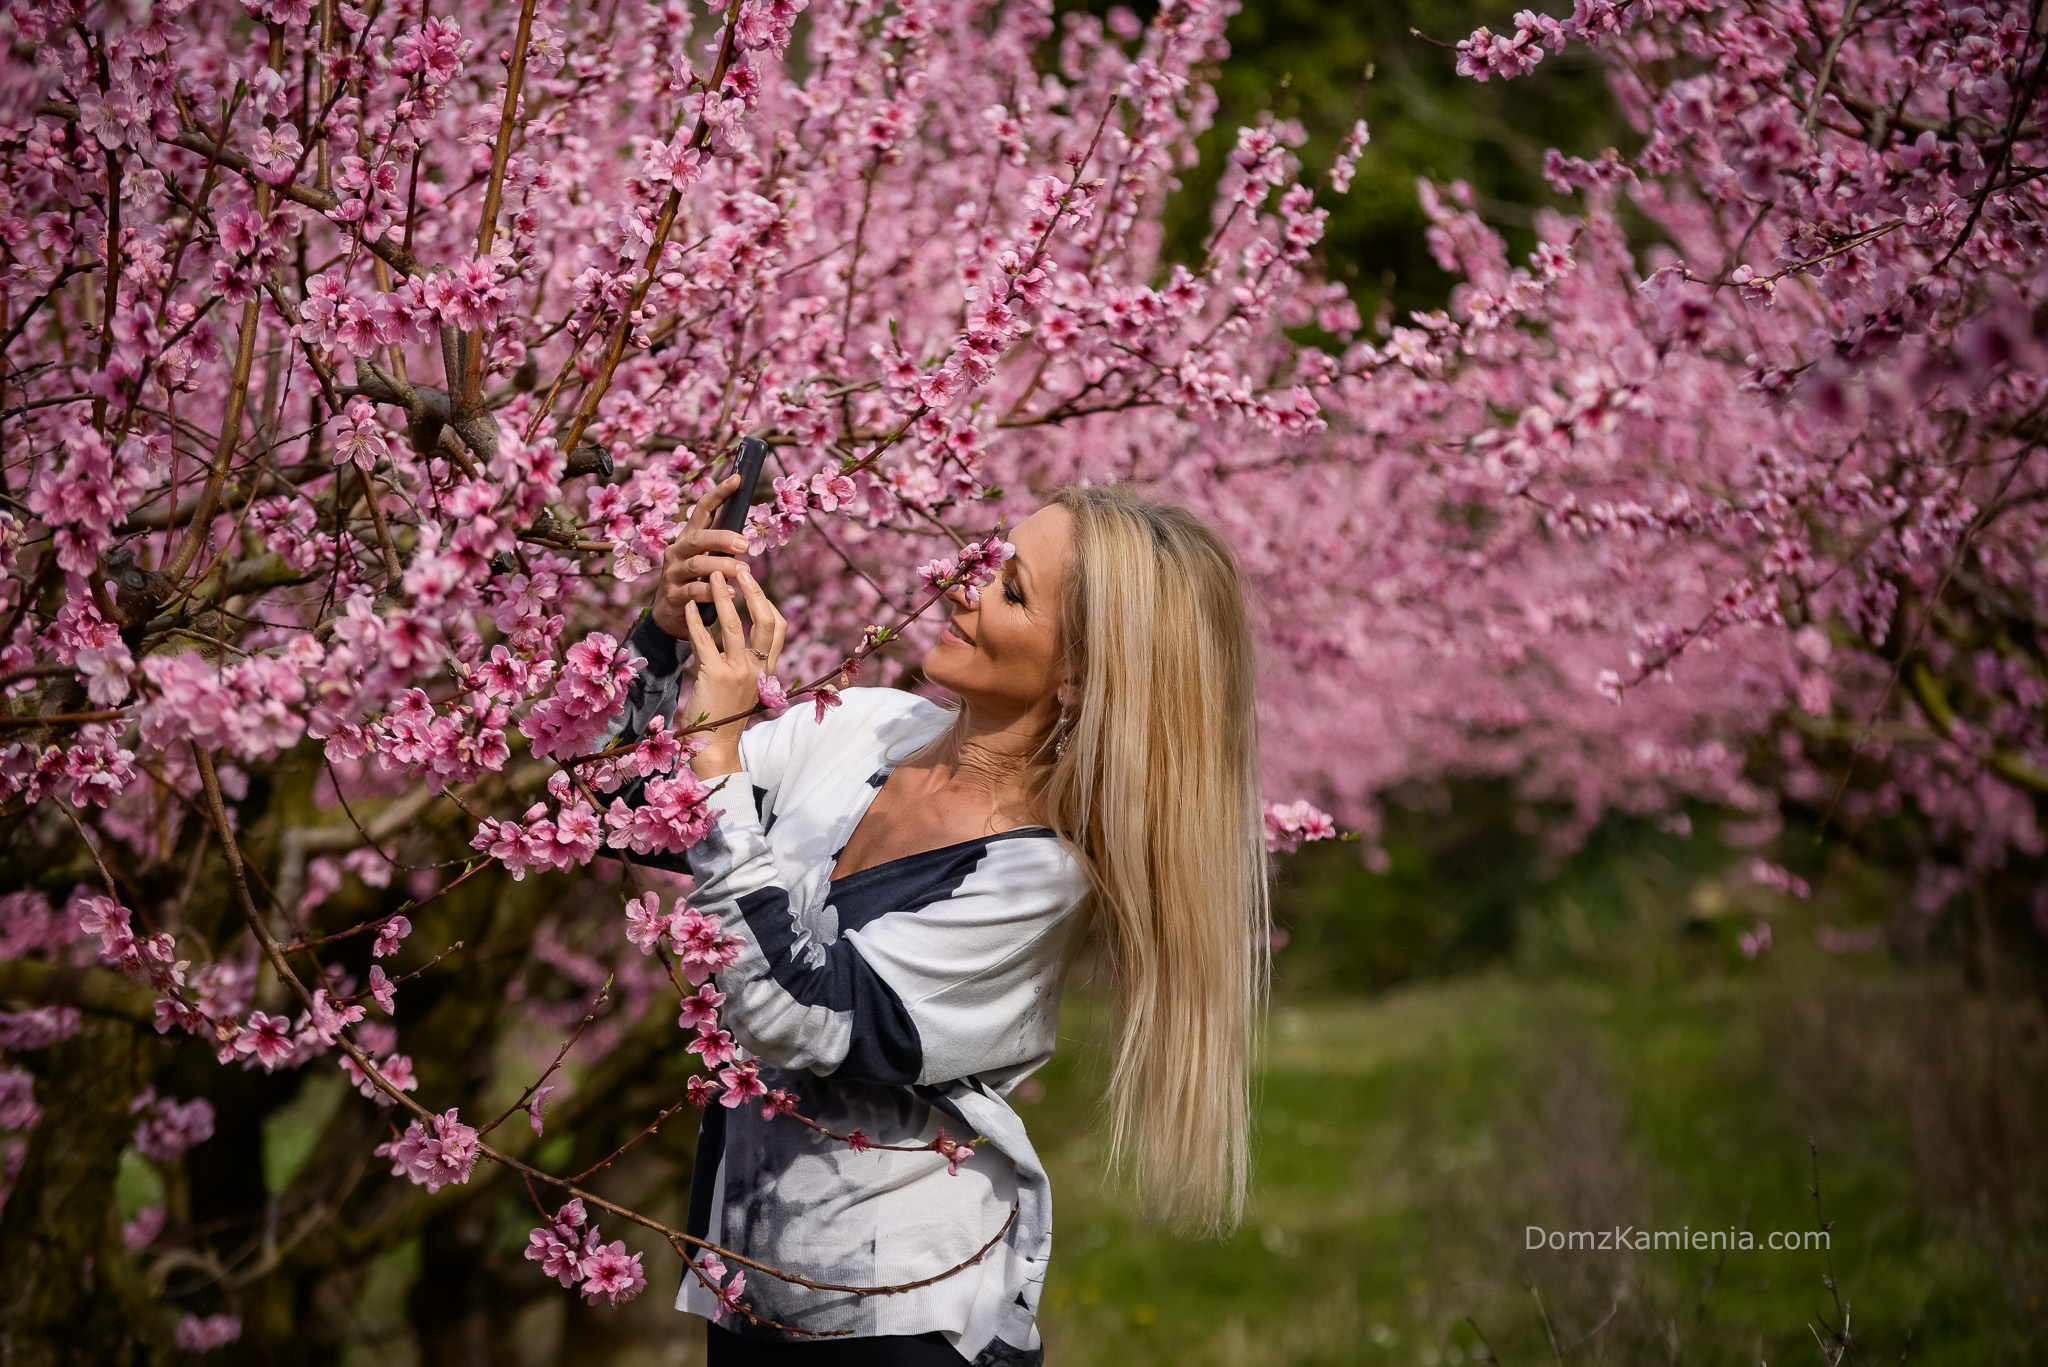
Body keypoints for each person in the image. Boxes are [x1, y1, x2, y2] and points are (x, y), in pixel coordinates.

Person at [603, 475, 1269, 1365]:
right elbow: (614, 801)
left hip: (900, 1318)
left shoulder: (1035, 875)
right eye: (990, 561)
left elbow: (796, 1009)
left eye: (1012, 589)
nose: (964, 583)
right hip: (748, 1291)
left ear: (1077, 672)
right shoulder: (866, 730)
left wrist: (720, 749)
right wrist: (661, 632)